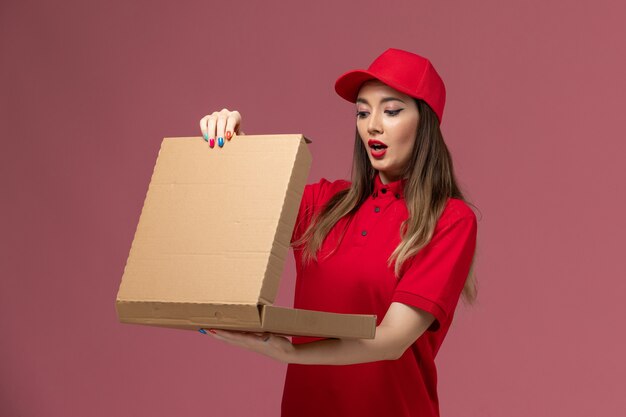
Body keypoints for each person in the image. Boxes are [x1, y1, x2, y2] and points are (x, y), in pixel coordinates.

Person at [198, 48, 479, 417]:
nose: (372, 125)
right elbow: (238, 209)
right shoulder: (321, 203)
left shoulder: (449, 220)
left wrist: (291, 352)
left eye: (391, 111)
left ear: (425, 122)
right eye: (362, 112)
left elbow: (393, 338)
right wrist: (229, 141)